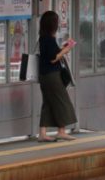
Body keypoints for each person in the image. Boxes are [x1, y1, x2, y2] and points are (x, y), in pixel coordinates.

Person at [37, 10, 77, 142]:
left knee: (48, 103)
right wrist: (67, 49)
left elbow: (52, 53)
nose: (58, 24)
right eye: (57, 22)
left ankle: (42, 133)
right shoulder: (48, 39)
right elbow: (53, 58)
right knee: (62, 101)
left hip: (44, 75)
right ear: (52, 24)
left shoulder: (43, 38)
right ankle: (61, 131)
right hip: (52, 75)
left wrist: (62, 48)